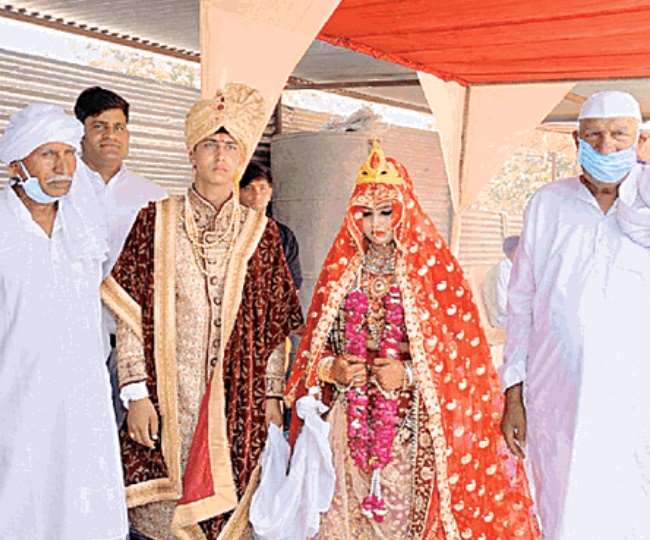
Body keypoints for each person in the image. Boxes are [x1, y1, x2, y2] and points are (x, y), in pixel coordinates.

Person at [286, 140, 539, 539]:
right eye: (366, 213)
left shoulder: (435, 273)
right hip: (347, 420)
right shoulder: (341, 273)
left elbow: (464, 362)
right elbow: (313, 350)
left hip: (413, 424)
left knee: (401, 522)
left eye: (386, 211)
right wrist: (333, 369)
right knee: (340, 519)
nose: (376, 223)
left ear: (405, 210)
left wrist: (406, 375)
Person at [102, 82, 303, 539]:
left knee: (234, 514)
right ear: (192, 153)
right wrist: (135, 395)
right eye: (210, 144)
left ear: (242, 156)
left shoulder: (262, 234)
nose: (220, 155)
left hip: (240, 400)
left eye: (230, 146)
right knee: (161, 523)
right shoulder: (155, 221)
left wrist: (272, 396)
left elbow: (274, 326)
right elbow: (130, 314)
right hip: (167, 400)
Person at [500, 90, 650, 539]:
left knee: (633, 505)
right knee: (563, 508)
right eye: (594, 135)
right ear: (576, 140)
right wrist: (513, 395)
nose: (606, 146)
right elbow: (521, 302)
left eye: (619, 134)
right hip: (556, 394)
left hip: (635, 397)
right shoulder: (547, 204)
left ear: (640, 140)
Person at [0, 103, 127, 539]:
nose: (62, 166)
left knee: (81, 502)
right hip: (15, 394)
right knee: (19, 498)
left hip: (81, 396)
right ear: (17, 165)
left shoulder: (84, 227)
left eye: (69, 153)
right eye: (47, 154)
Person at [74, 86, 167, 426]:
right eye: (99, 126)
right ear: (81, 133)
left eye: (119, 127)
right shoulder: (62, 190)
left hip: (136, 346)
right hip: (73, 339)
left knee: (132, 437)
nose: (110, 135)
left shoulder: (152, 197)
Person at [239, 161, 303, 289]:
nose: (256, 195)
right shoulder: (227, 231)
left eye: (262, 188)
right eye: (248, 188)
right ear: (238, 192)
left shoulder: (283, 235)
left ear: (270, 193)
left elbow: (293, 282)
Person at [482, 235, 519, 328]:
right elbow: (502, 305)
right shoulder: (503, 270)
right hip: (503, 318)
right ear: (511, 252)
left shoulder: (516, 268)